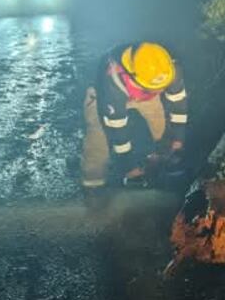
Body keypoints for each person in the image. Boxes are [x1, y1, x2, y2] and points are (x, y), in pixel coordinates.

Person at [80, 41, 189, 192]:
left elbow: (179, 106)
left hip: (145, 90)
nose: (163, 89)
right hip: (104, 96)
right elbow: (117, 128)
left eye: (162, 87)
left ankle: (163, 164)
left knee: (163, 126)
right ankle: (93, 186)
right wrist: (128, 167)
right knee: (99, 139)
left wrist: (178, 140)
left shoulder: (167, 69)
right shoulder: (112, 80)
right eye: (156, 87)